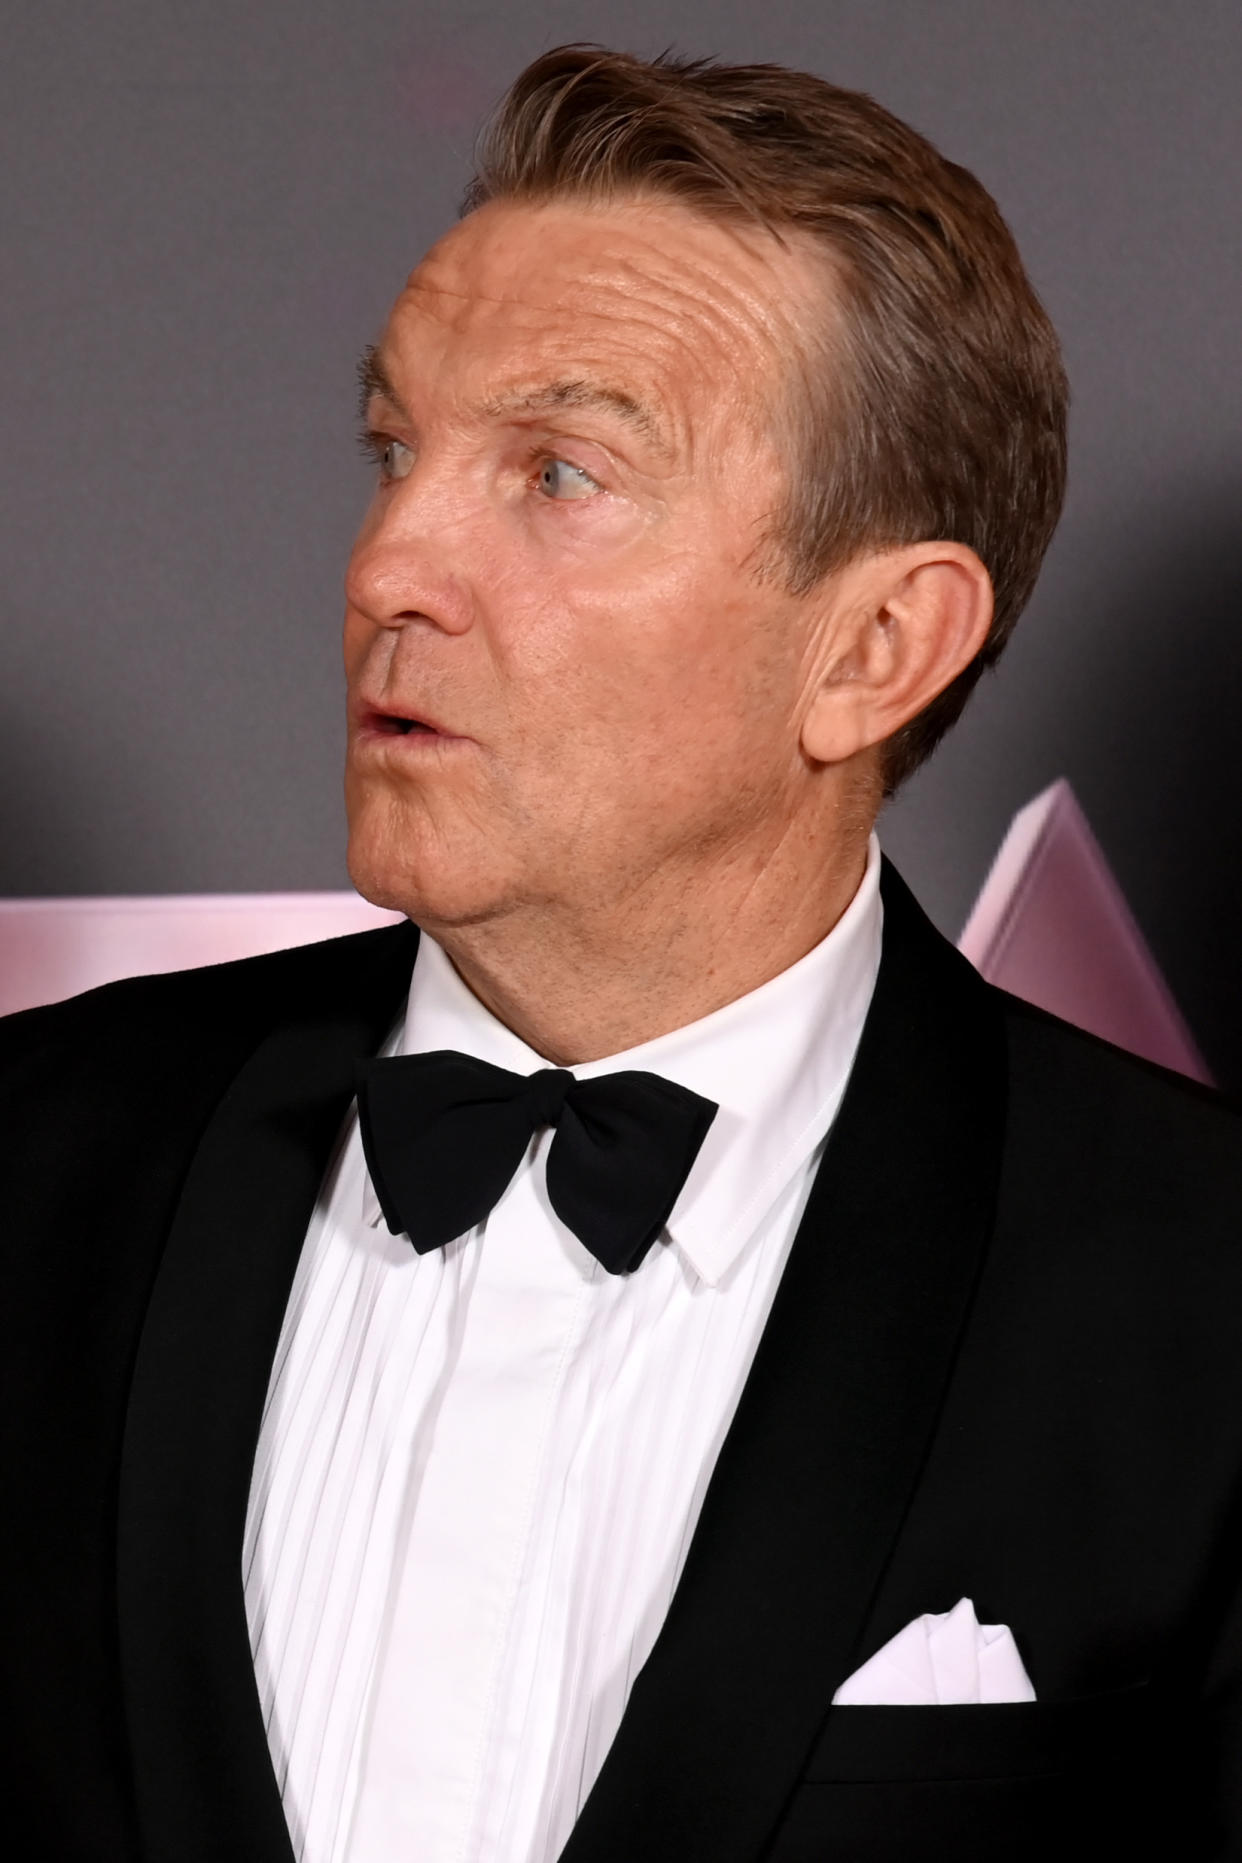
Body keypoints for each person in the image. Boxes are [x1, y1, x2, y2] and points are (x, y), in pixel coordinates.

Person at [4, 41, 1241, 1863]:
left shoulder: (1197, 1296)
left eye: (558, 475)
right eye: (393, 451)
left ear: (875, 647)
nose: (386, 564)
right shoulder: (35, 1160)